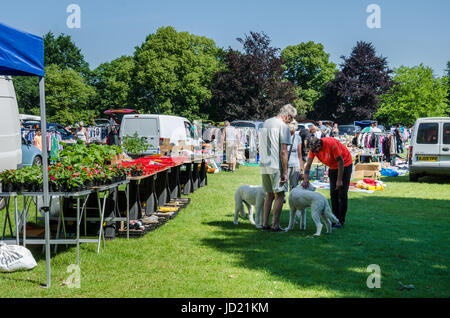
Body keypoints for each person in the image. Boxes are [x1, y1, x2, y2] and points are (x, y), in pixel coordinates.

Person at [259, 104, 297, 232]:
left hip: (264, 163)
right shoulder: (283, 127)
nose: (290, 121)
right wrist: (285, 172)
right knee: (279, 195)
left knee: (269, 194)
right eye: (291, 119)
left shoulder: (266, 122)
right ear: (287, 116)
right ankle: (275, 225)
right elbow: (284, 152)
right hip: (276, 165)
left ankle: (265, 223)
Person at [301, 136, 353, 228]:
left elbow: (340, 162)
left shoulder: (331, 144)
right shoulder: (313, 149)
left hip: (345, 164)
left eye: (315, 150)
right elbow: (308, 165)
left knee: (342, 194)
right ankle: (334, 219)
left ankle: (340, 221)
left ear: (319, 144)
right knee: (333, 194)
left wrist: (339, 180)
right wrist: (306, 179)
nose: (314, 153)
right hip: (333, 167)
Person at [287, 120, 303, 191]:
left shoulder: (298, 138)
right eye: (291, 130)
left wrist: (301, 169)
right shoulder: (282, 137)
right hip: (284, 165)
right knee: (281, 188)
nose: (292, 132)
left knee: (294, 188)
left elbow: (300, 155)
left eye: (294, 130)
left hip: (295, 165)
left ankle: (293, 201)